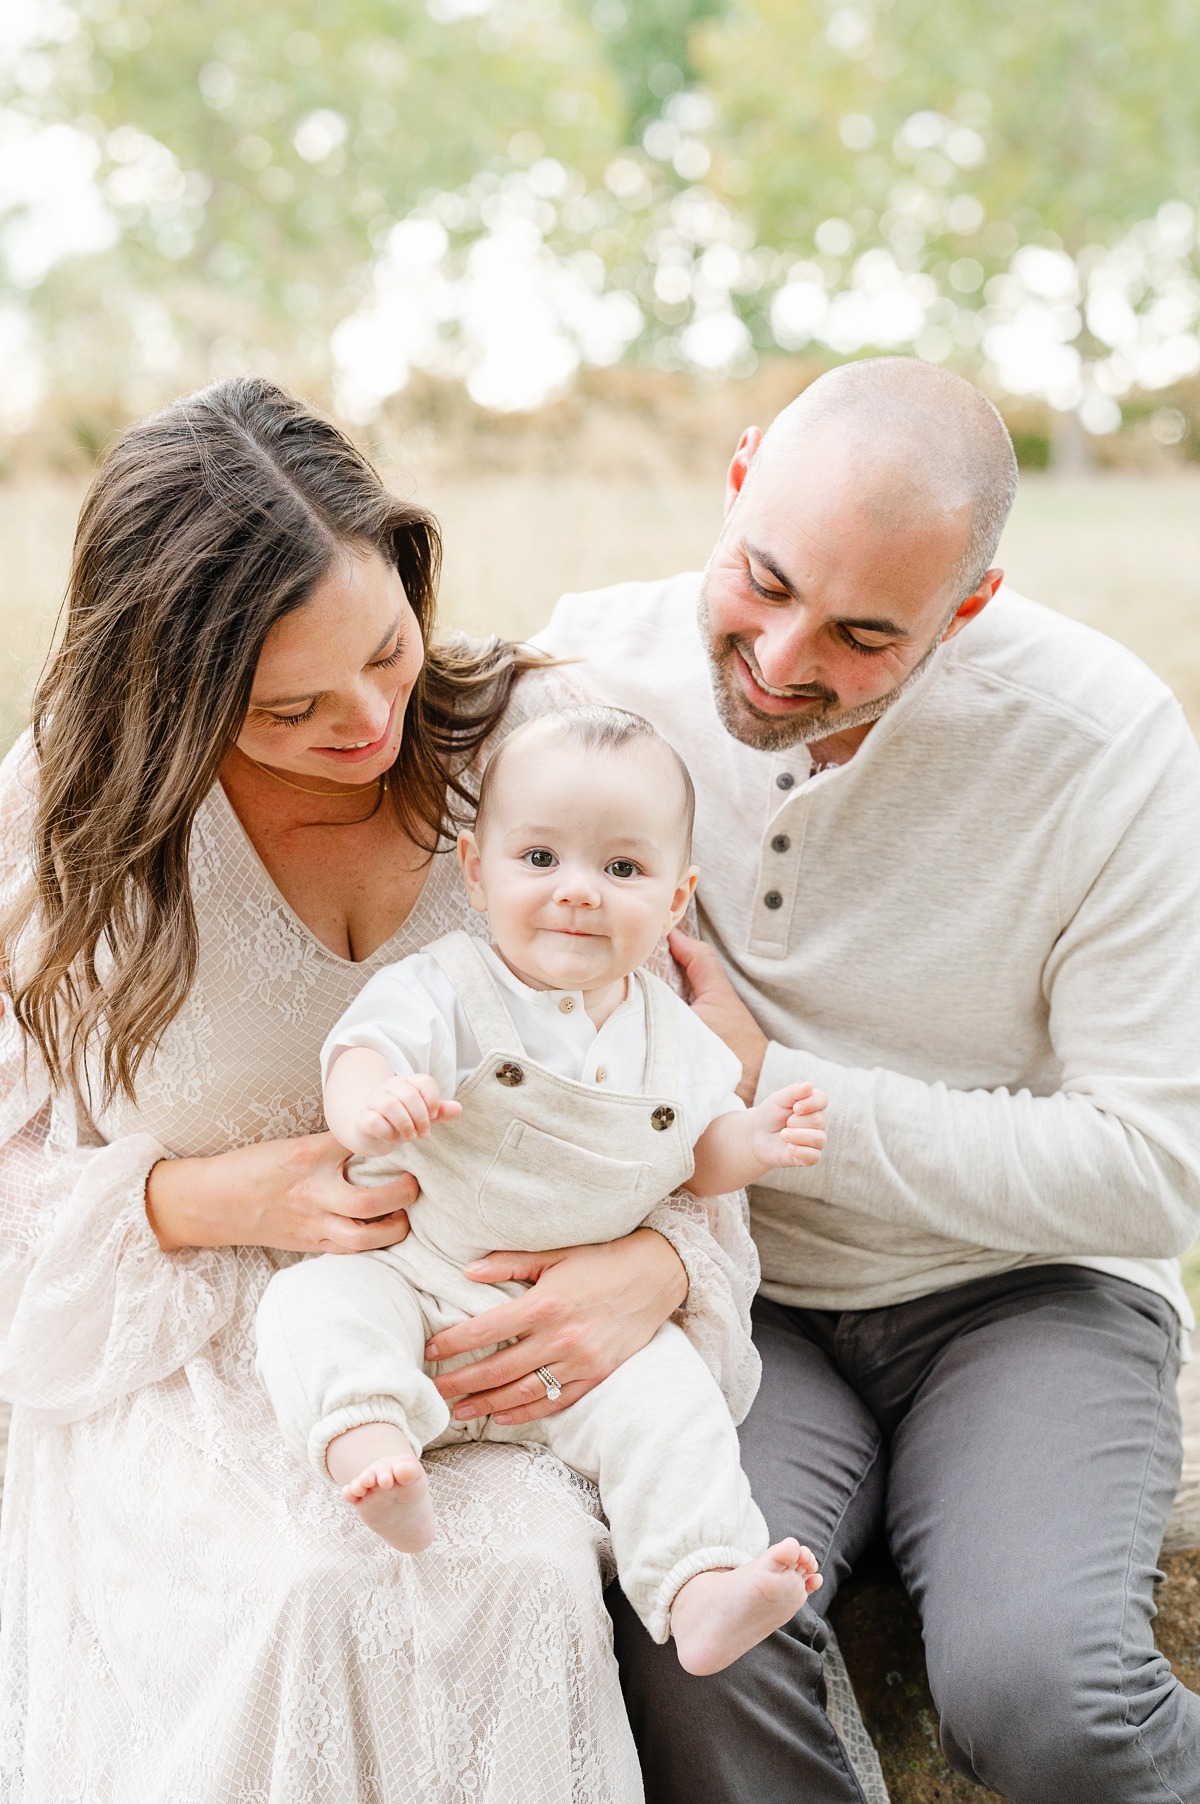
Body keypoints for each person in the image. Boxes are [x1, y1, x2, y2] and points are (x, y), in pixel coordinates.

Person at [0, 378, 768, 1802]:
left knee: (529, 1575)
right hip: (190, 1353)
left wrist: (654, 1266)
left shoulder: (539, 744)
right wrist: (200, 1198)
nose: (363, 720)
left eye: (387, 652)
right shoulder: (72, 816)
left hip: (482, 1337)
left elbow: (672, 1065)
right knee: (300, 1587)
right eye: (286, 705)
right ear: (161, 692)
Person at [535, 356, 1200, 1803]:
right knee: (695, 1632)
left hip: (1031, 1293)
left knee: (1050, 1693)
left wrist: (782, 1091)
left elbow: (1155, 1165)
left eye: (861, 633)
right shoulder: (585, 681)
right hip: (732, 1282)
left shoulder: (1110, 746)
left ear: (969, 606)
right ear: (736, 476)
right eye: (760, 582)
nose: (779, 660)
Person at [255, 707, 828, 1676]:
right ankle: (370, 1446)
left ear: (676, 897)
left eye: (622, 870)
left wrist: (754, 1141)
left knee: (672, 1404)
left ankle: (699, 1584)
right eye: (540, 858)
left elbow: (698, 1157)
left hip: (569, 1330)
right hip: (418, 1273)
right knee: (311, 1304)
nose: (578, 894)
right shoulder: (446, 985)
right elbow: (360, 1053)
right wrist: (371, 1110)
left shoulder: (671, 1034)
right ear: (476, 871)